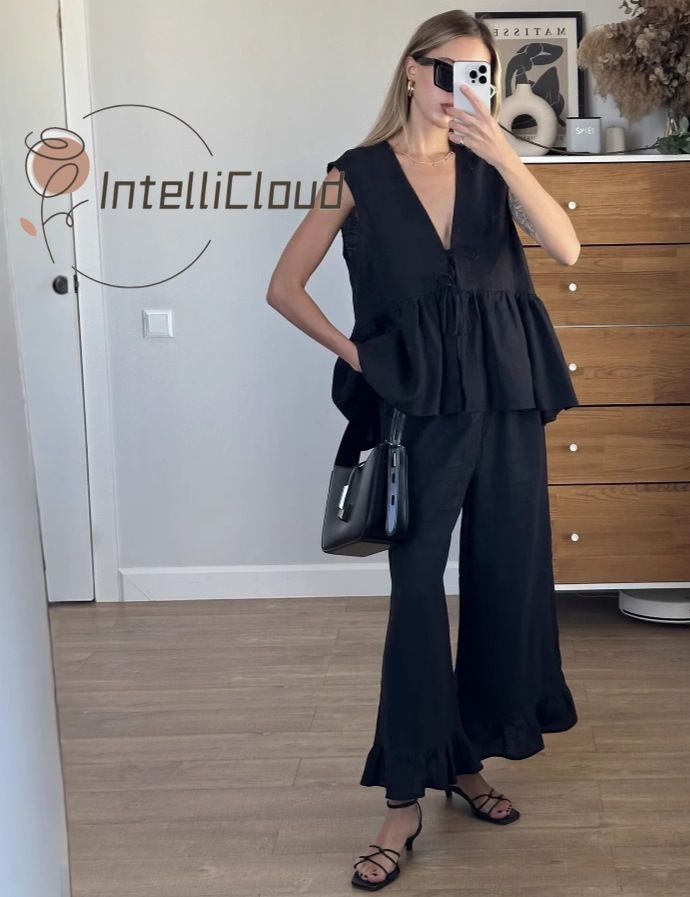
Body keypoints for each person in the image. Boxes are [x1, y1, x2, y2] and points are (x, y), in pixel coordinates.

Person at [267, 9, 581, 891]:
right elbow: (283, 286)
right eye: (448, 72)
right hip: (419, 407)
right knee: (415, 593)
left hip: (507, 395)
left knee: (503, 579)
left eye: (479, 76)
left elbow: (566, 246)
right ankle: (402, 797)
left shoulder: (490, 166)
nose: (460, 91)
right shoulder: (353, 174)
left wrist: (506, 153)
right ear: (411, 71)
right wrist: (360, 355)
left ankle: (466, 759)